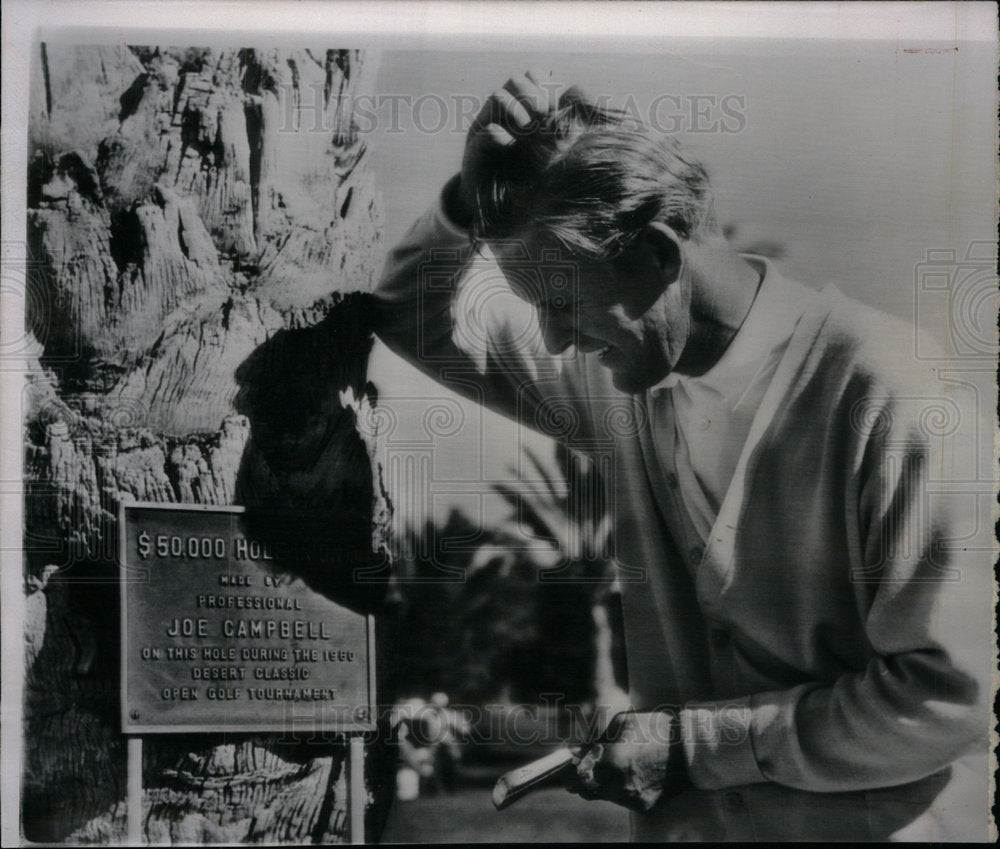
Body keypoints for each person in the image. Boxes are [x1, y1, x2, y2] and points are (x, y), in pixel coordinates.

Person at [373, 72, 992, 841]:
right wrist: (469, 198)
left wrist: (693, 746)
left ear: (657, 258)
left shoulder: (894, 389)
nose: (556, 339)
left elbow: (953, 697)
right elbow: (405, 308)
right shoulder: (616, 380)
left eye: (562, 304)